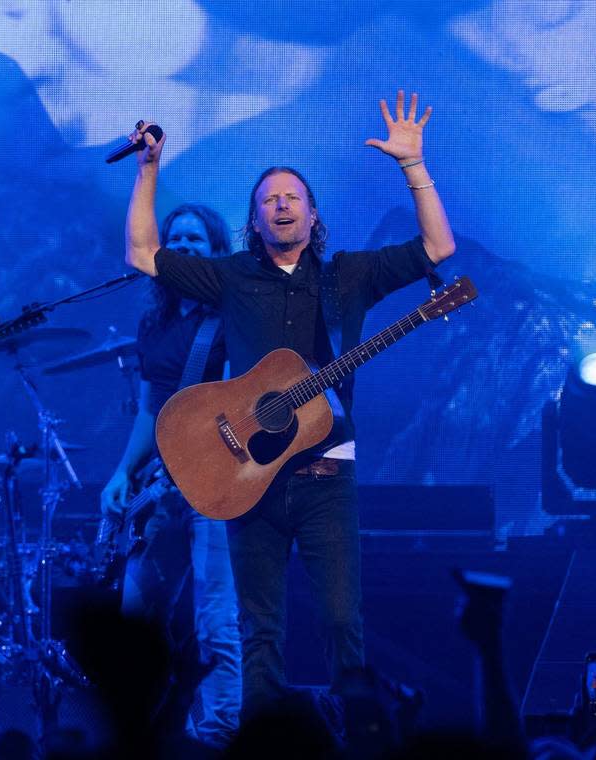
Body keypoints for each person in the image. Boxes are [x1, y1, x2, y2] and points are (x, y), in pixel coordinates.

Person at [122, 90, 456, 719]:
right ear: (253, 218)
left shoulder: (348, 276)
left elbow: (439, 249)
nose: (280, 204)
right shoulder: (232, 275)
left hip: (328, 476)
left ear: (311, 213)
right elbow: (142, 253)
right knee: (258, 631)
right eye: (268, 198)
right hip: (249, 479)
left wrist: (413, 165)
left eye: (291, 196)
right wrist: (148, 171)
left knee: (338, 624)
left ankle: (358, 737)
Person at [100, 203, 241, 746]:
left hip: (215, 487)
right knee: (136, 622)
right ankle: (143, 729)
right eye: (175, 238)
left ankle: (219, 735)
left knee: (215, 623)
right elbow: (149, 411)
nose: (182, 246)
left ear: (215, 253)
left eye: (196, 240)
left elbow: (239, 403)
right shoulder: (154, 322)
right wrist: (121, 474)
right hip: (159, 489)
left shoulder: (229, 317)